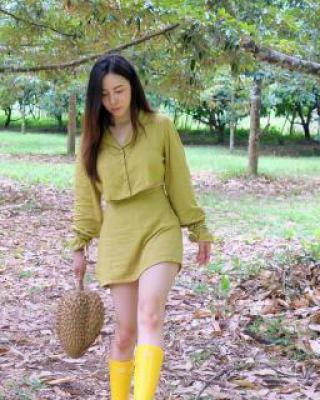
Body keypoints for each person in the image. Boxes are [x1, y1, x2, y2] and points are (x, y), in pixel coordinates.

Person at [69, 54, 213, 400]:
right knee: (124, 333)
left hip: (159, 226)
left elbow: (179, 181)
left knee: (150, 314)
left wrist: (197, 227)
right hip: (117, 235)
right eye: (105, 94)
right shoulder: (92, 139)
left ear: (133, 87)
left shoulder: (160, 126)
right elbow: (86, 199)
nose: (113, 100)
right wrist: (79, 244)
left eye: (119, 90)